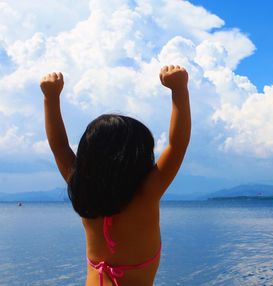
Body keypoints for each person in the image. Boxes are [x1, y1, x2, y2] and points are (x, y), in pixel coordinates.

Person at [40, 65, 191, 286]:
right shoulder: (147, 193)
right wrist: (180, 90)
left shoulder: (83, 189)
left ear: (87, 156)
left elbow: (60, 147)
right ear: (139, 156)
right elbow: (177, 145)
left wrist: (50, 98)